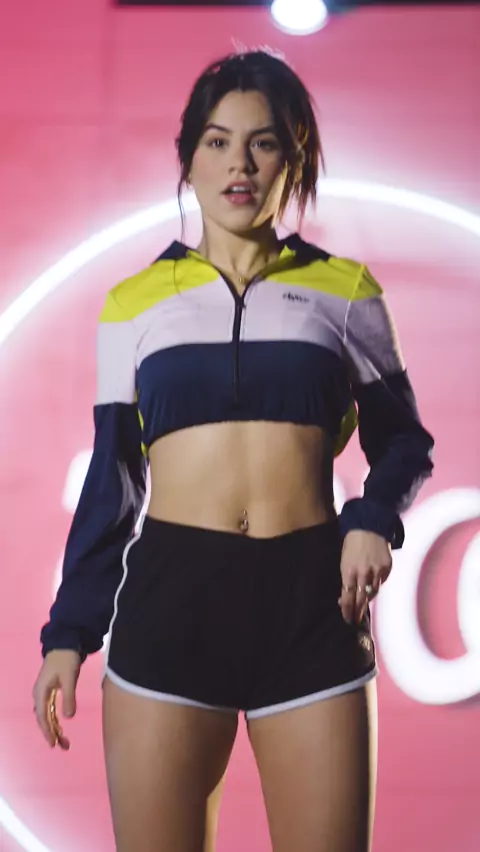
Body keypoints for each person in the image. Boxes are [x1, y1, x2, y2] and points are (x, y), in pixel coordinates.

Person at [33, 50, 434, 852]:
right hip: (171, 608)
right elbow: (114, 482)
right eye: (217, 142)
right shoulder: (132, 305)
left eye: (263, 143)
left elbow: (404, 442)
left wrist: (371, 520)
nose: (238, 165)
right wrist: (69, 633)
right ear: (188, 158)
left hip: (311, 610)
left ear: (295, 159)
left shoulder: (346, 291)